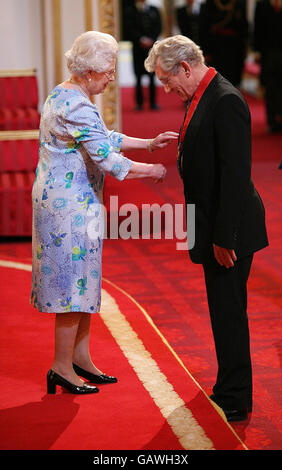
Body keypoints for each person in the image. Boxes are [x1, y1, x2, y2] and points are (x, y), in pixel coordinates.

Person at [30, 31, 178, 395]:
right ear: (89, 71)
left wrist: (148, 143)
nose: (112, 77)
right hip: (67, 208)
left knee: (82, 281)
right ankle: (61, 367)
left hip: (73, 202)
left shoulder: (66, 92)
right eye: (108, 71)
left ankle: (80, 359)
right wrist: (152, 170)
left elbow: (102, 136)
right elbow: (108, 160)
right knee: (70, 286)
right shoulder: (77, 103)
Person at [145, 35, 268, 422]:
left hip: (228, 231)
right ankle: (226, 387)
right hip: (210, 223)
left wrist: (222, 238)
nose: (166, 89)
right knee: (221, 311)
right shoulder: (201, 95)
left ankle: (235, 397)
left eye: (168, 79)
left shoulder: (226, 99)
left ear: (185, 67)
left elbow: (235, 176)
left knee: (229, 313)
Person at [122, 0, 162, 110]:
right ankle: (139, 103)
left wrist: (151, 40)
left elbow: (158, 26)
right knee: (138, 76)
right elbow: (129, 29)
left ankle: (153, 102)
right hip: (138, 49)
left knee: (152, 76)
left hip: (151, 49)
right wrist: (140, 39)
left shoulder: (153, 10)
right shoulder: (129, 11)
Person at [199, 0, 248, 87]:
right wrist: (206, 51)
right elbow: (203, 28)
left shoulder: (239, 3)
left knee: (232, 81)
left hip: (234, 48)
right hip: (216, 48)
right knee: (215, 82)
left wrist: (244, 49)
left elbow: (244, 28)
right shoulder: (211, 3)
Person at [253, 0, 282, 133]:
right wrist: (257, 51)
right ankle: (271, 120)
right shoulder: (262, 5)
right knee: (270, 87)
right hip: (268, 53)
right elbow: (257, 29)